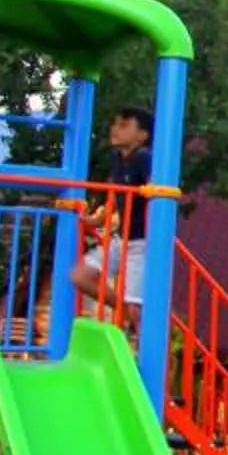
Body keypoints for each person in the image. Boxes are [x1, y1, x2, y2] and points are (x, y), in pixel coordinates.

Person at [72, 105, 156, 326]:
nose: (115, 129)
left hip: (143, 240)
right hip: (122, 238)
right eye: (115, 124)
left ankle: (146, 338)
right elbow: (115, 195)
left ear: (142, 135)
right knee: (81, 276)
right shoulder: (118, 158)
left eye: (124, 125)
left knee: (136, 307)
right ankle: (126, 312)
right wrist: (97, 219)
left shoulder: (144, 158)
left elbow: (156, 189)